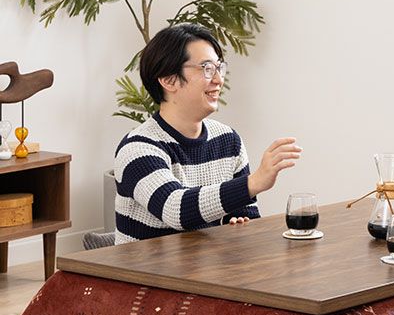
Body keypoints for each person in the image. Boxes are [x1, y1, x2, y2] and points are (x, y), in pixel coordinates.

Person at [114, 23, 301, 243]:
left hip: (208, 264)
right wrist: (254, 182)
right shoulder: (137, 148)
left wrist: (238, 224)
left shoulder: (228, 140)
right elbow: (175, 208)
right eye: (207, 68)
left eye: (219, 68)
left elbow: (247, 215)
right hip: (145, 266)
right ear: (168, 79)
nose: (219, 80)